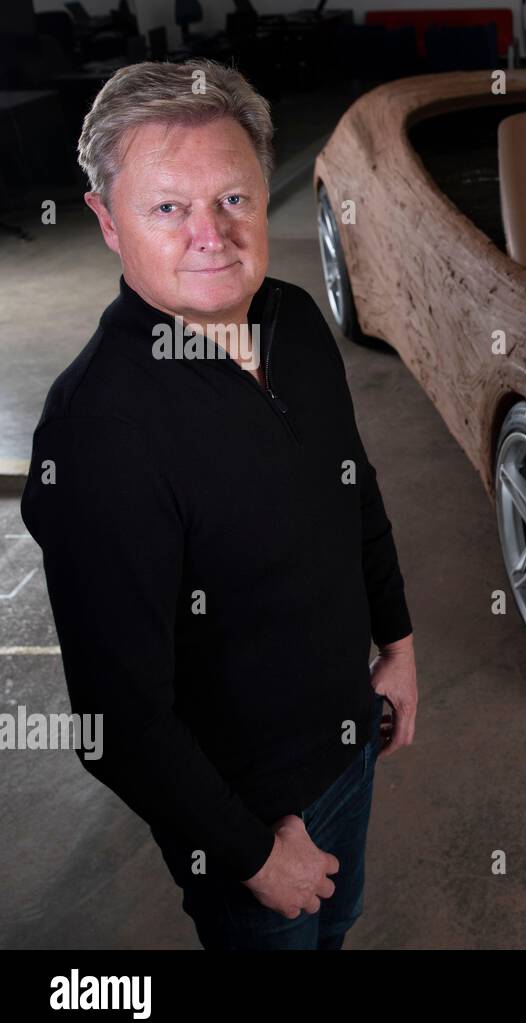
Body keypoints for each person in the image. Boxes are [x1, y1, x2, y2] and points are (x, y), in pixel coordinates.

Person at [19, 60, 418, 950]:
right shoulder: (99, 434)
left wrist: (397, 641)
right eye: (168, 208)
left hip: (353, 735)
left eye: (234, 198)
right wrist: (250, 854)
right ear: (107, 222)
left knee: (341, 923)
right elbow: (117, 722)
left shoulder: (296, 322)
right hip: (252, 815)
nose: (213, 234)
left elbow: (353, 484)